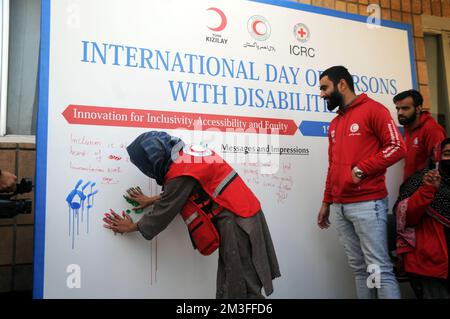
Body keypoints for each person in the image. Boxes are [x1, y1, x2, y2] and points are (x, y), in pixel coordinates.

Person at [102, 131, 281, 299]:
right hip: (245, 213)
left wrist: (133, 227)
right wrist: (151, 200)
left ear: (153, 158)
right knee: (235, 281)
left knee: (242, 286)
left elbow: (167, 209)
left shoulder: (180, 172)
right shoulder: (188, 156)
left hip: (237, 222)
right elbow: (189, 188)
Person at [317, 66, 406, 299]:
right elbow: (333, 164)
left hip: (368, 204)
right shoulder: (336, 123)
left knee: (379, 269)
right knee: (360, 269)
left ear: (342, 84)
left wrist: (361, 169)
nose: (322, 94)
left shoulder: (374, 110)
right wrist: (327, 201)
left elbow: (397, 147)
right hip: (340, 207)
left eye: (324, 88)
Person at [395, 138, 450, 299]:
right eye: (447, 154)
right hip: (431, 263)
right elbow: (405, 217)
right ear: (437, 157)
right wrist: (427, 190)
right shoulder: (420, 180)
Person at [394, 89, 446, 180]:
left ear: (418, 109)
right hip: (409, 189)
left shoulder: (432, 129)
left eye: (405, 108)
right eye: (398, 109)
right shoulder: (408, 127)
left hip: (424, 190)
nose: (400, 113)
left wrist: (425, 191)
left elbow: (440, 167)